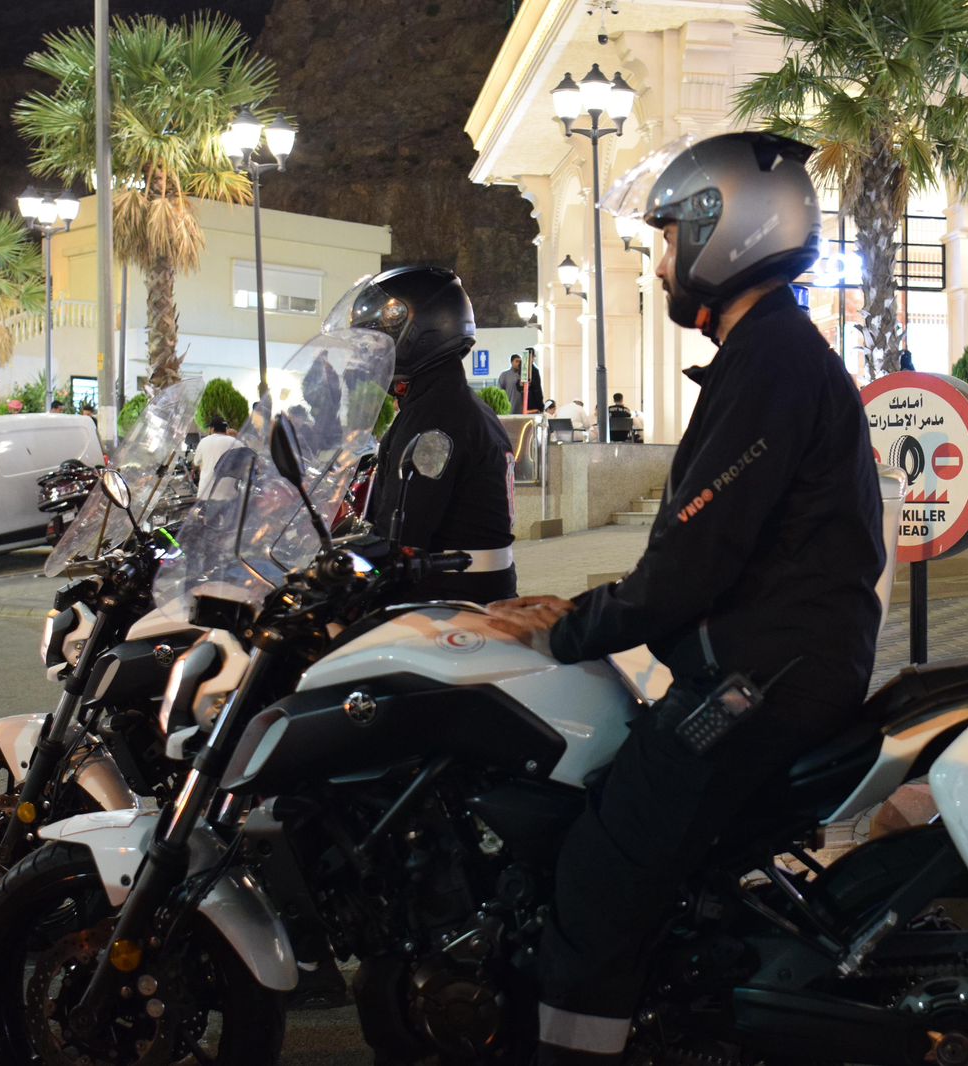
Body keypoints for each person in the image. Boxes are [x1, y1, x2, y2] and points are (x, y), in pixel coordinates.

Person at [485, 132, 884, 1066]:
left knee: (602, 870)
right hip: (779, 661)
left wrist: (569, 631)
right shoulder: (768, 352)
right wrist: (586, 608)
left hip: (763, 678)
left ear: (727, 229)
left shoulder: (770, 361)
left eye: (669, 238)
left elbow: (693, 563)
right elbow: (697, 552)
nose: (662, 262)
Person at [353, 266, 518, 602]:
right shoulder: (452, 405)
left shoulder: (436, 420)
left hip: (450, 600)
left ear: (418, 332)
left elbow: (402, 534)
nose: (371, 351)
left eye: (379, 338)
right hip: (471, 592)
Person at [190, 416, 240, 498]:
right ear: (225, 429)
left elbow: (196, 463)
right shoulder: (237, 443)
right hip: (228, 495)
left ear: (212, 429)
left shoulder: (204, 441)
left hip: (206, 494)